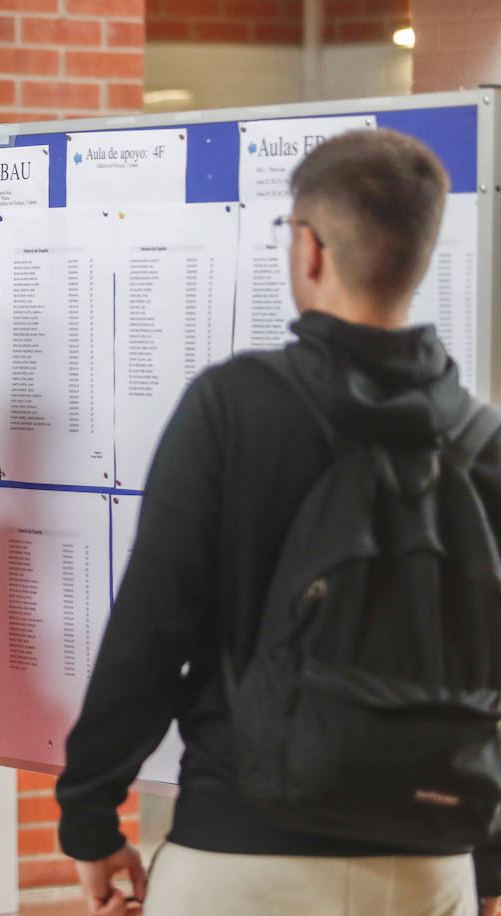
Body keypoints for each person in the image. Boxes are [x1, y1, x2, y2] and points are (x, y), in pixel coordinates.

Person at [56, 127, 501, 916]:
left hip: (243, 848)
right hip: (429, 864)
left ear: (310, 248)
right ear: (420, 254)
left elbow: (153, 629)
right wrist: (488, 868)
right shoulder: (481, 442)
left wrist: (90, 818)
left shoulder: (234, 407)